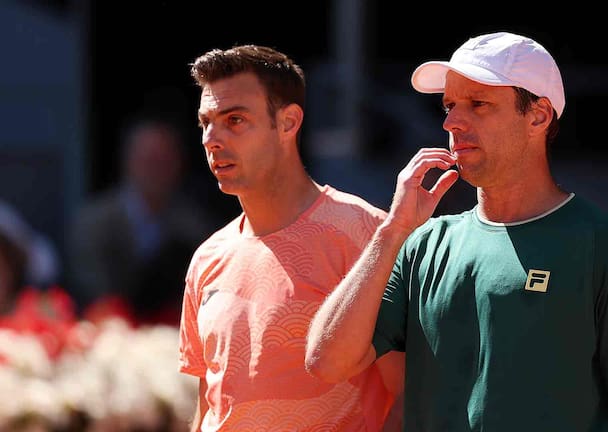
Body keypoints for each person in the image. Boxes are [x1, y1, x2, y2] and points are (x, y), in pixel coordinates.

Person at [305, 31, 608, 431]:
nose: (452, 121)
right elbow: (327, 362)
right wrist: (393, 229)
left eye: (478, 104)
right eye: (449, 105)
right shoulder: (420, 244)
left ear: (538, 116)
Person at [177, 44, 404, 431]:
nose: (211, 139)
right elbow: (208, 407)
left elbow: (408, 394)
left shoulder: (367, 234)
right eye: (206, 122)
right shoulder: (206, 257)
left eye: (234, 120)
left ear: (288, 123)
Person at [69, 116, 213, 325]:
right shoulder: (92, 224)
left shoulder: (196, 227)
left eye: (163, 161)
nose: (155, 169)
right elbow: (92, 293)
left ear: (179, 164)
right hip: (106, 338)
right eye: (147, 159)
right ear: (127, 160)